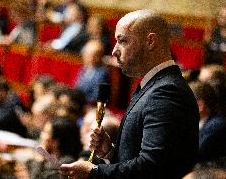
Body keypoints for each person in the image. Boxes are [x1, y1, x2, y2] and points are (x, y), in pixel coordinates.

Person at [59, 9, 199, 179]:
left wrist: (93, 172)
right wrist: (110, 152)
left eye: (123, 41)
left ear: (150, 41)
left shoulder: (167, 91)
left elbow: (152, 167)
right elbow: (140, 157)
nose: (114, 51)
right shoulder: (154, 84)